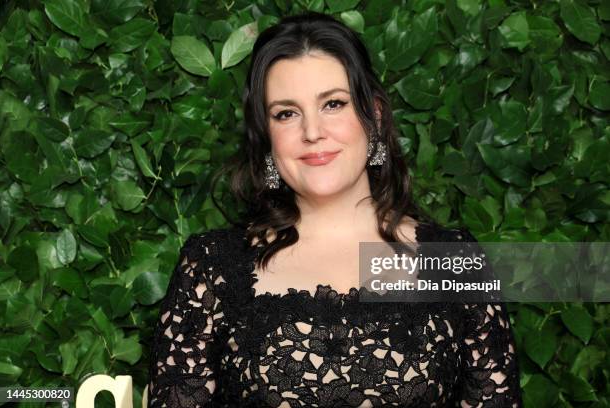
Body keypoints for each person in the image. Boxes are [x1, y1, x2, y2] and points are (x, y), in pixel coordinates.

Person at [147, 11, 522, 407]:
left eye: (333, 104)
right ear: (266, 134)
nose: (312, 132)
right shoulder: (210, 267)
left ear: (374, 115)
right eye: (286, 113)